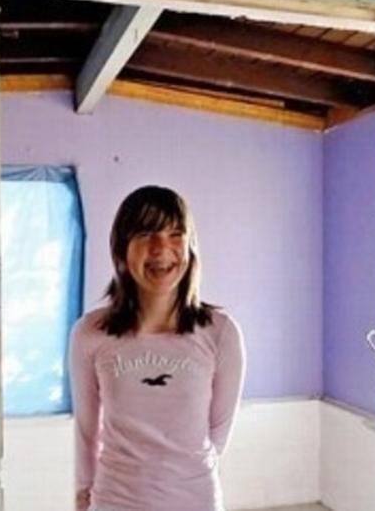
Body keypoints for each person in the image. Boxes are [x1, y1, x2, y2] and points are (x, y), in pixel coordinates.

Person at [69, 185, 246, 511]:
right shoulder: (90, 334)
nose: (161, 248)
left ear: (190, 247)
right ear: (122, 250)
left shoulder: (221, 333)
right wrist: (83, 497)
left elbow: (217, 436)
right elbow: (86, 432)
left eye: (175, 234)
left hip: (195, 502)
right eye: (146, 234)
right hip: (114, 502)